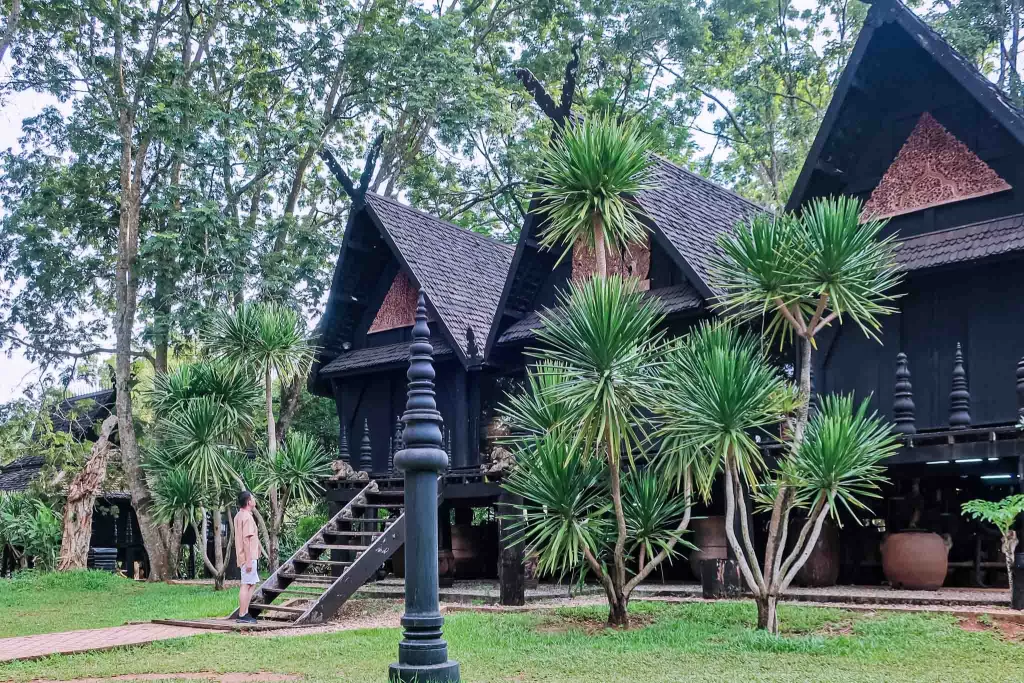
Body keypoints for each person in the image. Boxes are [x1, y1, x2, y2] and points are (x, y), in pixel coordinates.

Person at [234, 490, 261, 624]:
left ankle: (244, 611)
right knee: (246, 584)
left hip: (243, 555)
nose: (254, 500)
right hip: (248, 556)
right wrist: (249, 560)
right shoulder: (247, 517)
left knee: (251, 583)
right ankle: (243, 613)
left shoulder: (239, 515)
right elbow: (247, 539)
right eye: (253, 498)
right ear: (249, 502)